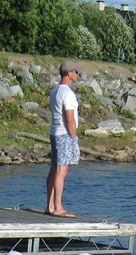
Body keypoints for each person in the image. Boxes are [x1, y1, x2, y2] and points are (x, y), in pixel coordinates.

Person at [46, 60, 81, 217]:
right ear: (69, 73)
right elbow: (70, 119)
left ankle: (50, 205)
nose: (77, 74)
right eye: (76, 72)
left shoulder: (55, 91)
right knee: (62, 171)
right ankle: (58, 207)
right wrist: (74, 138)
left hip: (54, 132)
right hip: (64, 134)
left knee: (54, 169)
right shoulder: (68, 93)